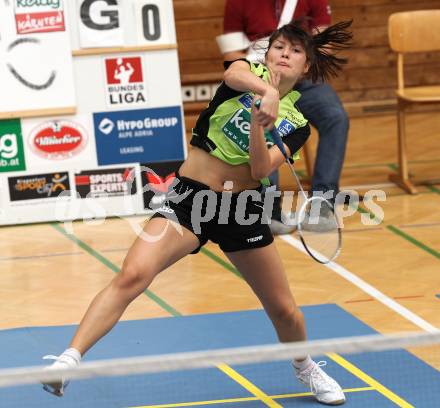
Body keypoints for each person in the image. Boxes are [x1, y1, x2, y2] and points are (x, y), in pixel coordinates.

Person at [42, 21, 351, 405]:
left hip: (241, 209)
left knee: (284, 309)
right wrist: (266, 91)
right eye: (279, 46)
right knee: (133, 274)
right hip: (191, 199)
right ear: (267, 54)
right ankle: (67, 362)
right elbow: (233, 72)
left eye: (295, 51)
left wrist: (260, 124)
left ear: (306, 67)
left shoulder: (297, 124)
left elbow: (258, 170)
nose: (284, 53)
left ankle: (305, 366)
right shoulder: (246, 75)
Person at [217, 0, 350, 235]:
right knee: (267, 124)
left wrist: (293, 65)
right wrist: (265, 70)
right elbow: (231, 54)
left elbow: (324, 45)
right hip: (260, 77)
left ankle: (324, 203)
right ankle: (270, 208)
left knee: (336, 117)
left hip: (305, 82)